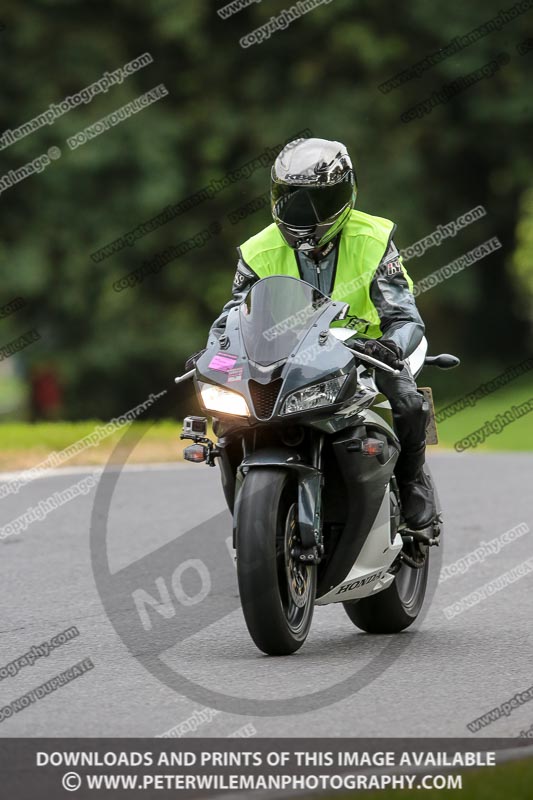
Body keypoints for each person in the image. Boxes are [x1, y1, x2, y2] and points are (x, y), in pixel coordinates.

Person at [198, 137, 436, 531]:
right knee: (228, 415)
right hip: (290, 355)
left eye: (318, 200)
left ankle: (413, 481)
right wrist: (213, 351)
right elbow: (231, 318)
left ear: (346, 194)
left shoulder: (374, 238)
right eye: (292, 199)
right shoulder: (257, 250)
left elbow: (405, 315)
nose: (304, 213)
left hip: (368, 347)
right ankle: (252, 506)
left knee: (408, 402)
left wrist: (392, 346)